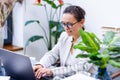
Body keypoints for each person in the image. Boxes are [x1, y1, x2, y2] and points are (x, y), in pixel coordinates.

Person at [33, 5, 97, 79]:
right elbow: (53, 54)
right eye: (63, 23)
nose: (66, 28)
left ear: (82, 22)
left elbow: (81, 67)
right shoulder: (64, 36)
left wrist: (52, 71)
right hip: (64, 76)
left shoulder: (91, 41)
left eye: (70, 24)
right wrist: (40, 65)